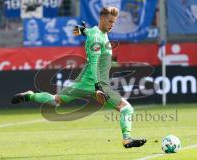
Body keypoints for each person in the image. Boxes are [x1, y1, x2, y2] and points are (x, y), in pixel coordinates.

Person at [11, 6, 146, 148]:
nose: (112, 25)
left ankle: (29, 96)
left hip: (84, 82)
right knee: (126, 108)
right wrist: (98, 87)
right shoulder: (95, 36)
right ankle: (127, 139)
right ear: (102, 19)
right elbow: (93, 63)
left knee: (56, 100)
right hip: (96, 83)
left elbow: (90, 32)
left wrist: (82, 30)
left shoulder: (96, 32)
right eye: (110, 21)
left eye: (114, 22)